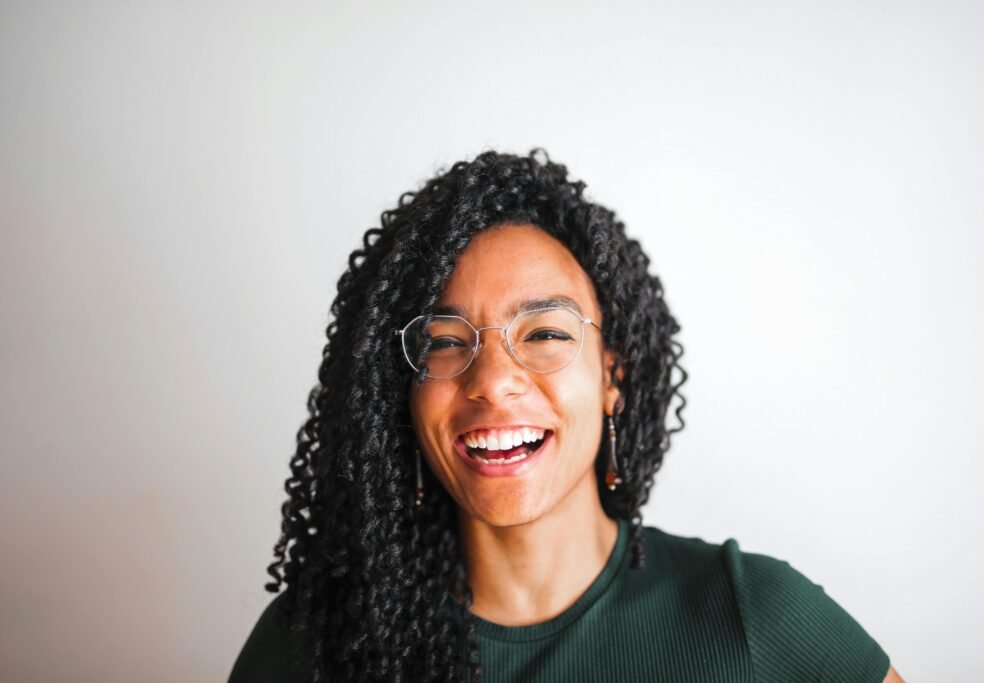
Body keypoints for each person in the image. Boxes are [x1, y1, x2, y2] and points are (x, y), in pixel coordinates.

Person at [228, 150, 904, 682]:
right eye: (444, 341)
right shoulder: (307, 649)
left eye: (545, 333)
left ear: (613, 374)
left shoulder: (755, 618)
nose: (493, 382)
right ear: (398, 393)